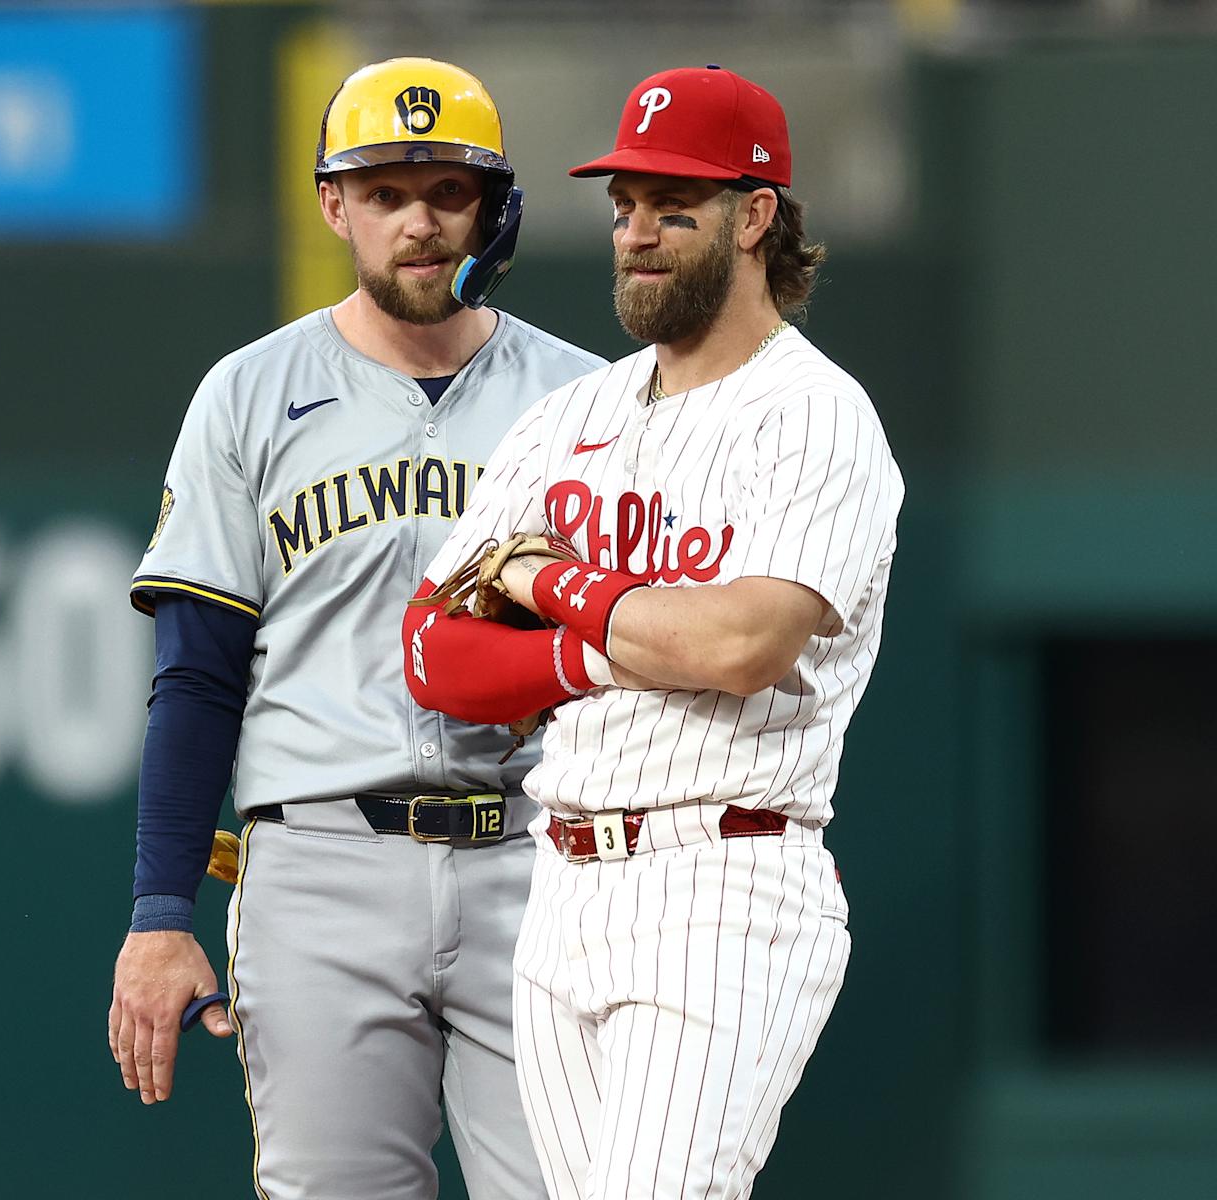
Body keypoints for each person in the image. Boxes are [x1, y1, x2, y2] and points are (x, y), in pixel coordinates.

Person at [401, 65, 903, 1200]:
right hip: (564, 881)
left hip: (725, 876)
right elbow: (433, 650)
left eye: (674, 206)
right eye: (625, 204)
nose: (636, 232)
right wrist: (595, 651)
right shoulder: (566, 419)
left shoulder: (816, 415)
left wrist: (555, 585)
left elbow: (740, 647)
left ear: (756, 215)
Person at [107, 58, 604, 1200]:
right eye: (384, 192)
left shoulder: (587, 405)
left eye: (446, 190)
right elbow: (195, 678)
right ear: (334, 205)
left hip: (544, 856)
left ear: (496, 204)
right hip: (323, 862)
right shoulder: (249, 392)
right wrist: (158, 914)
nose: (418, 223)